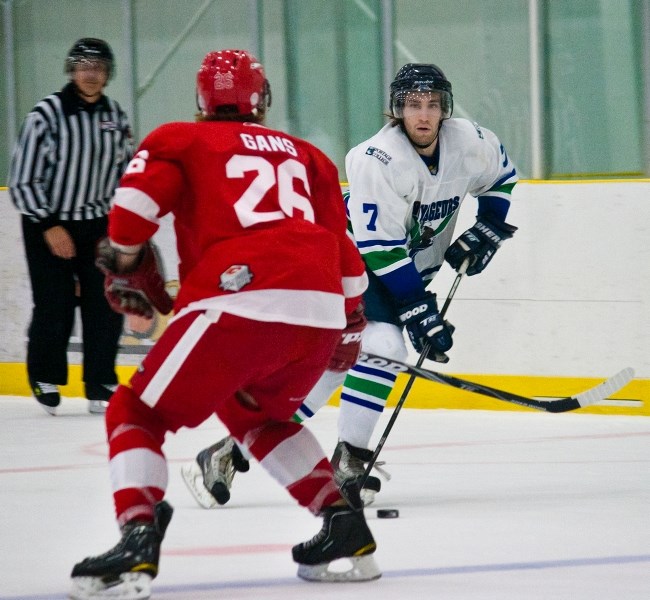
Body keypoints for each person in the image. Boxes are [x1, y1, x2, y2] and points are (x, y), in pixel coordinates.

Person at [69, 49, 379, 600]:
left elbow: (131, 213)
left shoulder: (180, 139)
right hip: (318, 308)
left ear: (201, 100)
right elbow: (348, 259)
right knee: (255, 414)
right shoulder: (308, 155)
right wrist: (350, 323)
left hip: (239, 296)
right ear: (262, 99)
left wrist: (122, 263)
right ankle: (343, 525)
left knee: (134, 409)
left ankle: (138, 534)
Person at [182, 62, 518, 508]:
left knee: (331, 370)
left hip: (403, 271)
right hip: (350, 265)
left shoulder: (470, 141)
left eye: (432, 105)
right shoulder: (375, 158)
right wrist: (419, 310)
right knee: (384, 346)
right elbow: (380, 250)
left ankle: (231, 448)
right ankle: (350, 459)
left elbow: (502, 178)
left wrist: (489, 225)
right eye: (414, 104)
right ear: (397, 109)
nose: (423, 114)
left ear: (445, 109)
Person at [8, 38, 134, 415]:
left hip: (96, 225)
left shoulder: (116, 116)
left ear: (107, 74)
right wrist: (49, 225)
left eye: (98, 68)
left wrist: (122, 225)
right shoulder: (45, 115)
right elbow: (22, 179)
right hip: (47, 222)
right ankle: (44, 375)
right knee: (54, 304)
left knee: (105, 305)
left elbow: (125, 174)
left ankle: (100, 379)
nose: (90, 74)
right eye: (83, 67)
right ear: (71, 71)